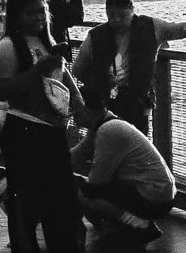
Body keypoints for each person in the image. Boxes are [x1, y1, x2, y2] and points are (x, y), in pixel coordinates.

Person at [0, 0, 110, 253]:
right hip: (25, 131)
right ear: (15, 15)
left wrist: (82, 108)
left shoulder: (47, 41)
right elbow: (4, 91)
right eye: (30, 13)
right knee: (27, 208)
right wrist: (37, 70)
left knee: (64, 204)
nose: (38, 18)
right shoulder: (7, 48)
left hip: (51, 133)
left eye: (41, 12)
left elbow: (63, 78)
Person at [73, 0, 186, 135]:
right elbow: (77, 69)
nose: (116, 20)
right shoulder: (95, 36)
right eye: (111, 15)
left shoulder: (151, 27)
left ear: (132, 10)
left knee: (134, 145)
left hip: (137, 104)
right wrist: (99, 85)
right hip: (105, 105)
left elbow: (178, 29)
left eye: (121, 15)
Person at [72, 105, 176, 245]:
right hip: (157, 194)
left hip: (154, 199)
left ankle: (140, 226)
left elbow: (97, 182)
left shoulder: (108, 131)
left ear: (89, 111)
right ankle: (121, 226)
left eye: (76, 111)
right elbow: (76, 154)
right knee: (84, 187)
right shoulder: (104, 125)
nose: (72, 115)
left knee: (83, 193)